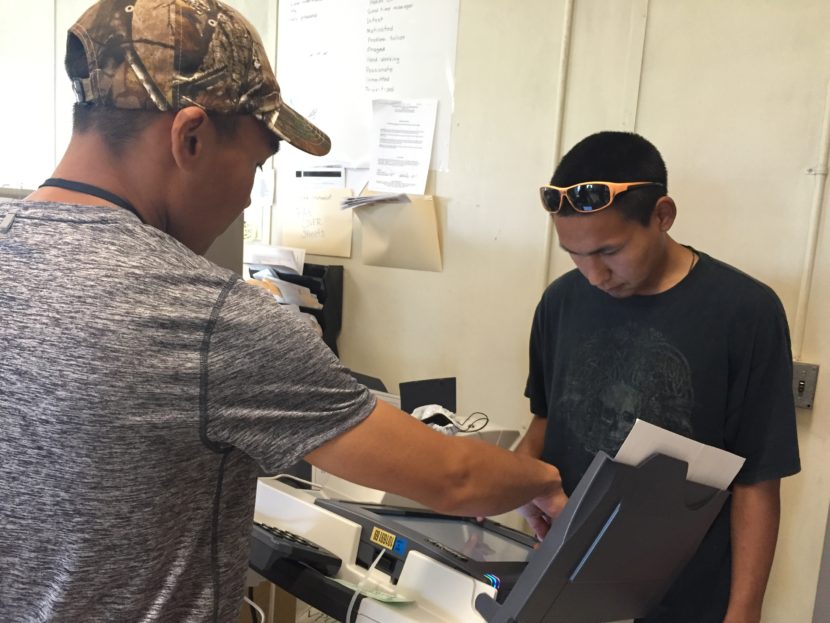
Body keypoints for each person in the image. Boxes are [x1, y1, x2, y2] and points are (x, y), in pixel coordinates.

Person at [0, 1, 567, 621]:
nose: (248, 192)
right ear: (189, 137)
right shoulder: (209, 318)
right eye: (256, 164)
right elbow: (454, 478)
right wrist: (537, 479)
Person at [514, 130, 801, 622]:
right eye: (574, 255)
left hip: (684, 596)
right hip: (564, 581)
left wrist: (744, 610)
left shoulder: (745, 312)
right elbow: (545, 422)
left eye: (608, 251)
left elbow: (758, 479)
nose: (593, 275)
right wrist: (511, 486)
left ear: (663, 216)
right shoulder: (560, 302)